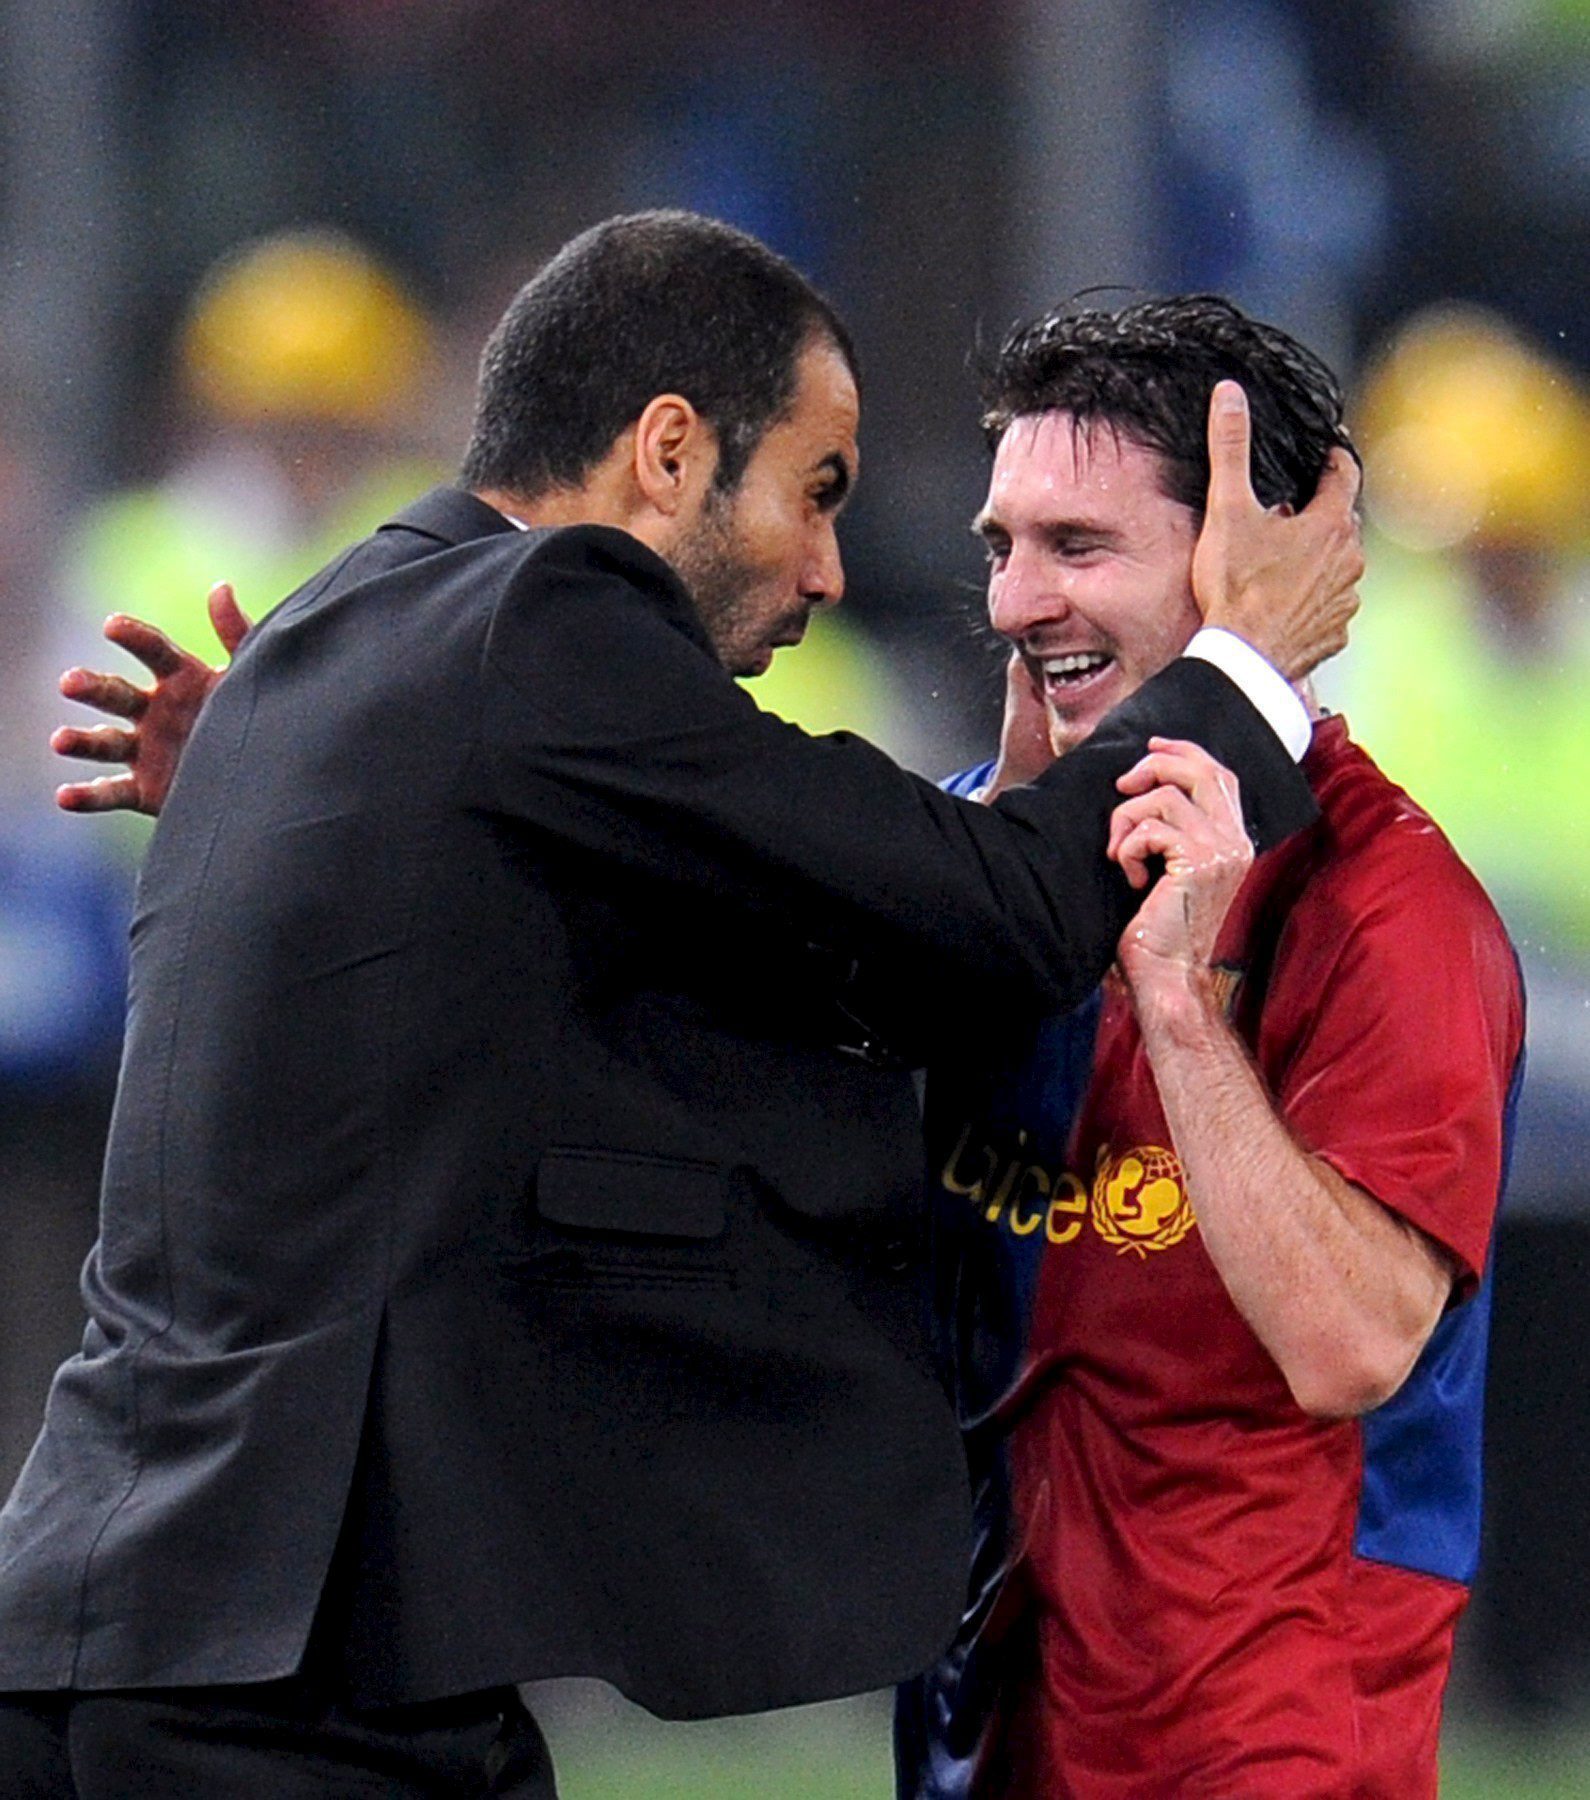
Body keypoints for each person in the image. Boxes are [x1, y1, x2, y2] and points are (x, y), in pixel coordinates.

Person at [5, 216, 1360, 1798]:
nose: (827, 569)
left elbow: (735, 979)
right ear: (665, 453)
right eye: (814, 491)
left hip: (129, 1647)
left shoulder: (344, 635)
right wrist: (1244, 667)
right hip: (280, 1700)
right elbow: (999, 916)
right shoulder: (550, 617)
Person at [894, 296, 1525, 1798]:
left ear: (1246, 564)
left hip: (1268, 1745)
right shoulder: (985, 860)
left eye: (1078, 549)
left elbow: (1356, 1339)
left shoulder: (1387, 911)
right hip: (985, 1729)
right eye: (1002, 546)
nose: (1012, 603)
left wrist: (1177, 1009)